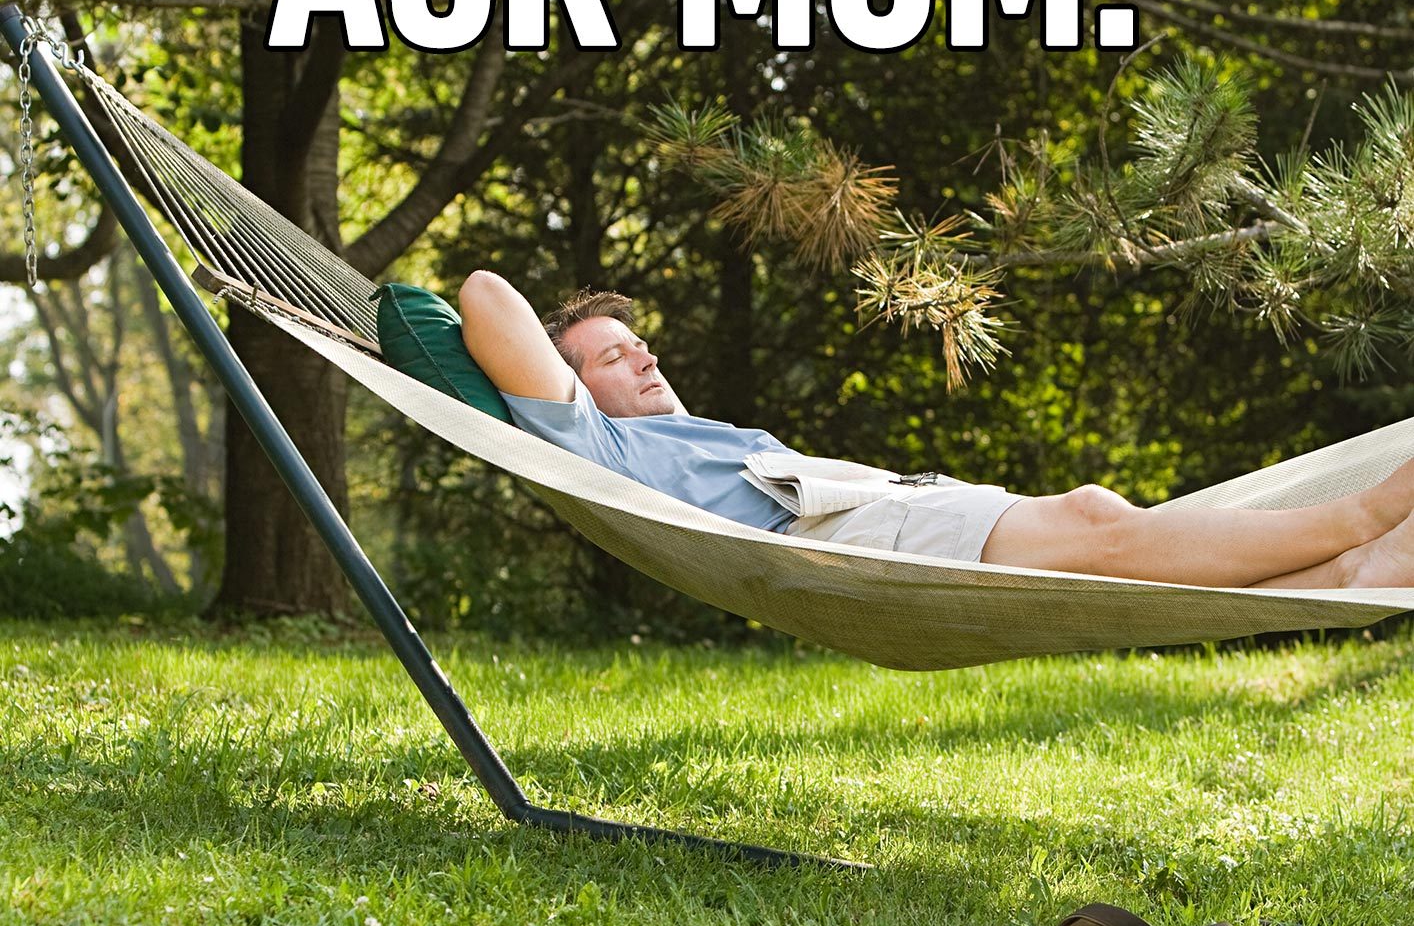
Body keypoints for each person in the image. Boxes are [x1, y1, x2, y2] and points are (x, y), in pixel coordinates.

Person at [458, 270, 1414, 590]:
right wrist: (560, 379)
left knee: (1106, 518)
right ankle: (1357, 521)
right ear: (569, 387)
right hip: (834, 539)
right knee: (1095, 521)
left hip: (880, 504)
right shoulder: (596, 444)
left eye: (645, 343)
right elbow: (481, 297)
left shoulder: (698, 430)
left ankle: (1344, 576)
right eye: (616, 356)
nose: (647, 357)